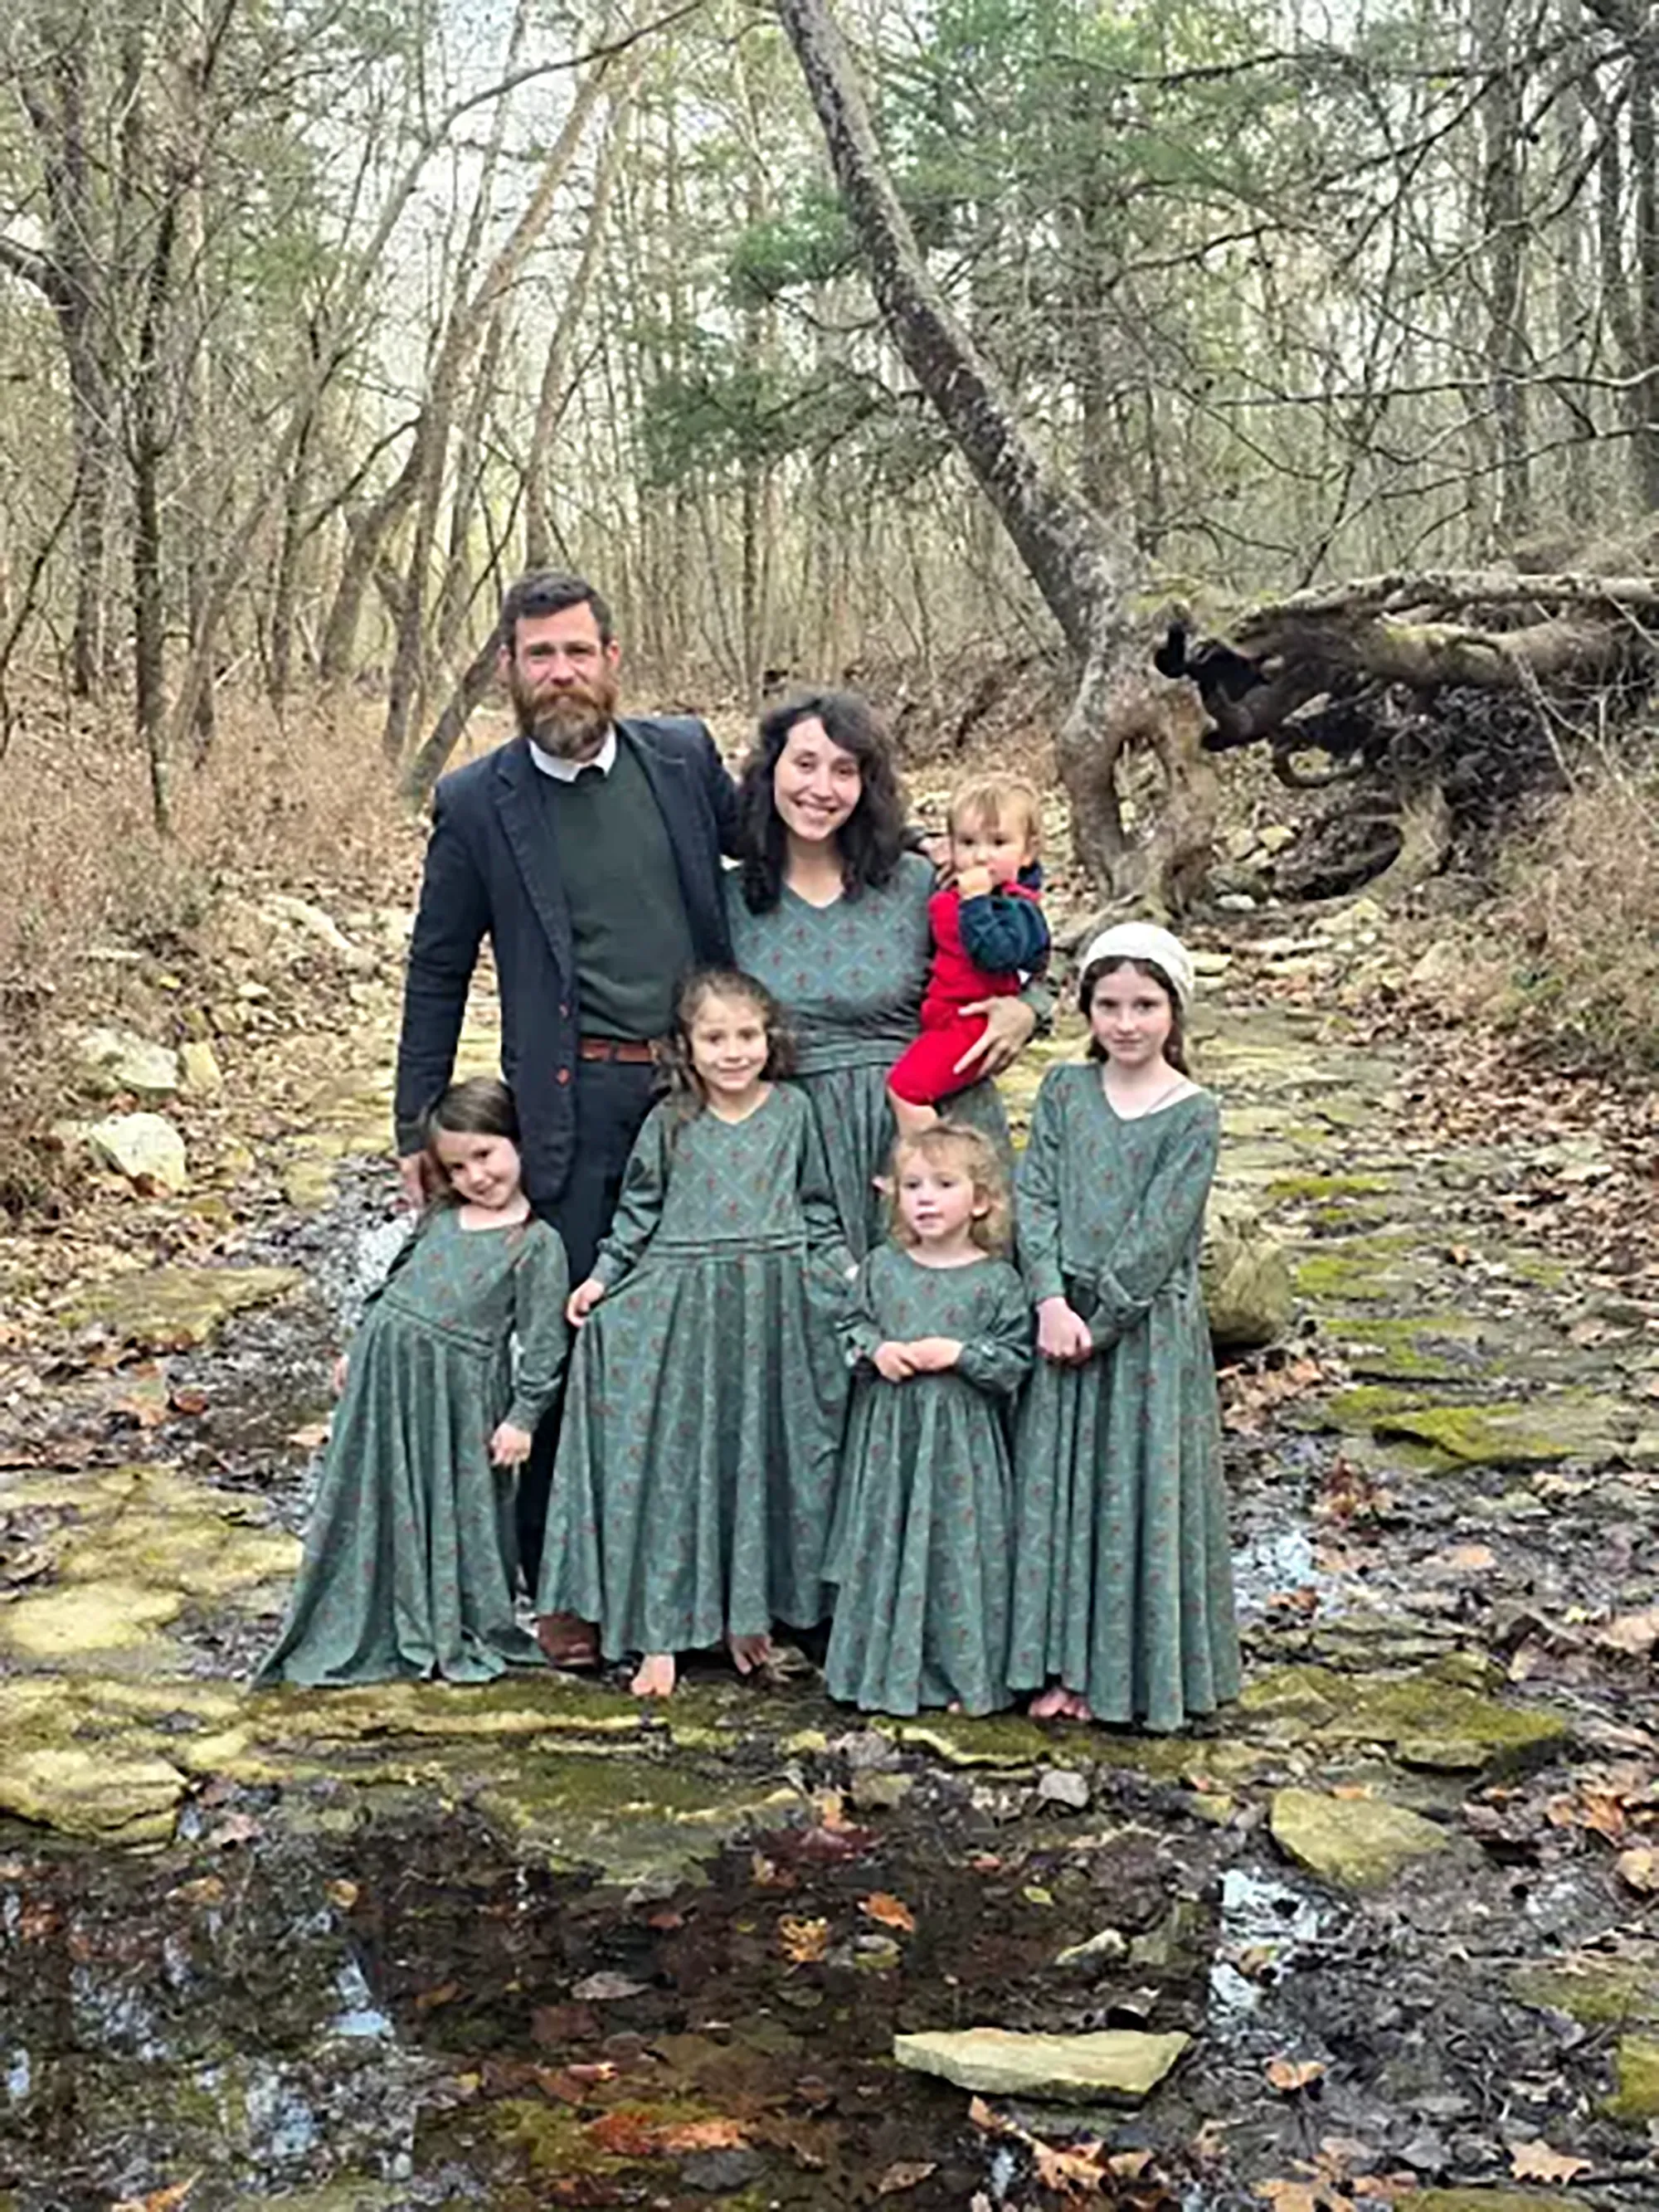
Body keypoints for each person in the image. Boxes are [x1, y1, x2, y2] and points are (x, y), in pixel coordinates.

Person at [392, 569, 738, 1597]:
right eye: (538, 655)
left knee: (709, 1328)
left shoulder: (681, 761)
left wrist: (984, 960)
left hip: (702, 1098)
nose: (560, 673)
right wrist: (419, 1124)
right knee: (568, 1331)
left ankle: (716, 1576)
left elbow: (785, 868)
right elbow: (438, 964)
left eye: (577, 651)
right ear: (507, 668)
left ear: (612, 659)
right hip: (572, 1103)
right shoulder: (476, 802)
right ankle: (561, 1580)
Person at [535, 970, 854, 1698]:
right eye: (715, 1038)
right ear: (686, 1046)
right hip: (684, 1307)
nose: (733, 1051)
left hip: (773, 1306)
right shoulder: (671, 1121)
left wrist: (851, 1277)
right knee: (683, 1461)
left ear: (769, 1039)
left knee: (772, 1453)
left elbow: (817, 1211)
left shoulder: (795, 1112)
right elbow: (638, 1215)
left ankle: (756, 1617)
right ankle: (665, 1630)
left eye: (747, 1035)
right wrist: (601, 1279)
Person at [1007, 922, 1240, 1733]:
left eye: (1144, 1005)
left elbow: (1159, 1233)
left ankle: (1133, 1672)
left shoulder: (1192, 1113)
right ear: (1086, 1010)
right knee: (1059, 1496)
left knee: (1129, 1492)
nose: (1126, 1023)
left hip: (1140, 1336)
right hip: (1057, 1319)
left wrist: (1098, 1320)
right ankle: (1058, 1665)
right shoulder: (1063, 1093)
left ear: (1174, 1011)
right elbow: (1032, 1194)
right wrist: (1046, 1300)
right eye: (1108, 1004)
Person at [258, 1078, 567, 1688]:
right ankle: (366, 1607)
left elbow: (544, 1340)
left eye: (486, 1154)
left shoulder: (535, 1243)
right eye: (458, 1165)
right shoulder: (444, 1214)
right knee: (376, 1489)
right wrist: (359, 1342)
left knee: (455, 1502)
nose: (476, 1175)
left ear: (518, 1141)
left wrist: (524, 1416)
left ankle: (449, 1616)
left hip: (457, 1392)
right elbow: (395, 1279)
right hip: (386, 1373)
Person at [725, 693, 1039, 1259]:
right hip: (797, 1142)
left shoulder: (918, 882)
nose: (821, 788)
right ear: (769, 769)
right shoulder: (729, 898)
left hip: (925, 1125)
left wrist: (1030, 1009)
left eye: (845, 770)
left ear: (866, 786)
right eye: (804, 764)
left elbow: (1020, 949)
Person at [824, 1123, 1031, 1718]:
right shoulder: (883, 1268)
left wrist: (962, 1354)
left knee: (958, 1553)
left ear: (982, 1199)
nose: (926, 1198)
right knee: (889, 1545)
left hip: (963, 1450)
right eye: (913, 1184)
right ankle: (883, 1673)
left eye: (944, 1184)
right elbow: (851, 1327)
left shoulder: (996, 1280)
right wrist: (876, 1350)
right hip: (892, 1440)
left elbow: (1015, 1357)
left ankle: (967, 1676)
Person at [888, 775, 1049, 1140]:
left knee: (906, 1090)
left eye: (998, 843)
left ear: (1027, 852)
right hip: (943, 1015)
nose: (980, 856)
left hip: (973, 1023)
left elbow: (998, 957)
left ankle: (930, 1159)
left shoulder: (1016, 908)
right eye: (968, 843)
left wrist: (976, 903)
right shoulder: (951, 888)